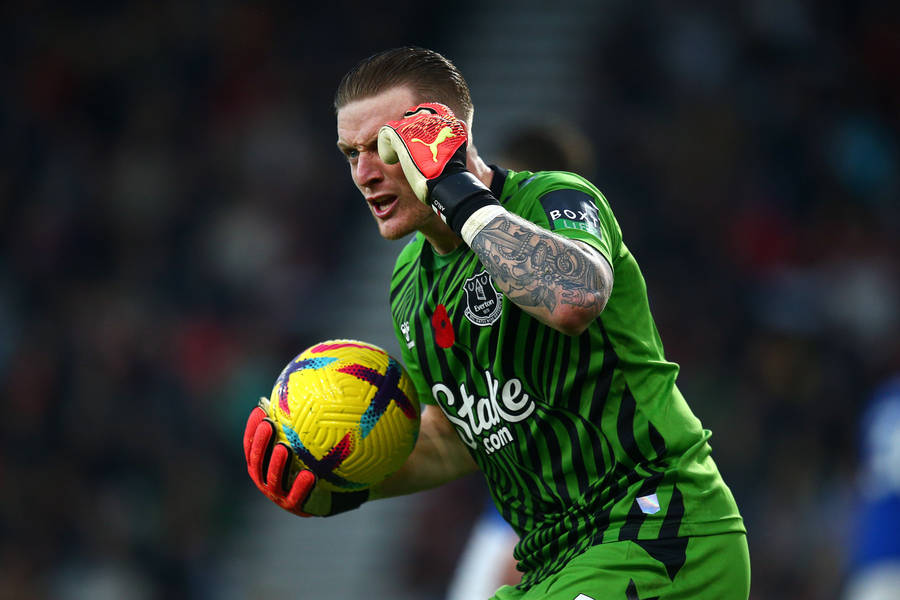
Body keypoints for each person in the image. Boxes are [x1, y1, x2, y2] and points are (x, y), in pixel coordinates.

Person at [243, 46, 750, 599]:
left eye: (384, 148)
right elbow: (456, 437)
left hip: (659, 528)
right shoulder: (410, 282)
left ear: (445, 136)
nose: (364, 174)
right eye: (350, 153)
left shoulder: (551, 198)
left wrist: (455, 189)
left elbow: (574, 298)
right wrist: (339, 480)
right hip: (554, 561)